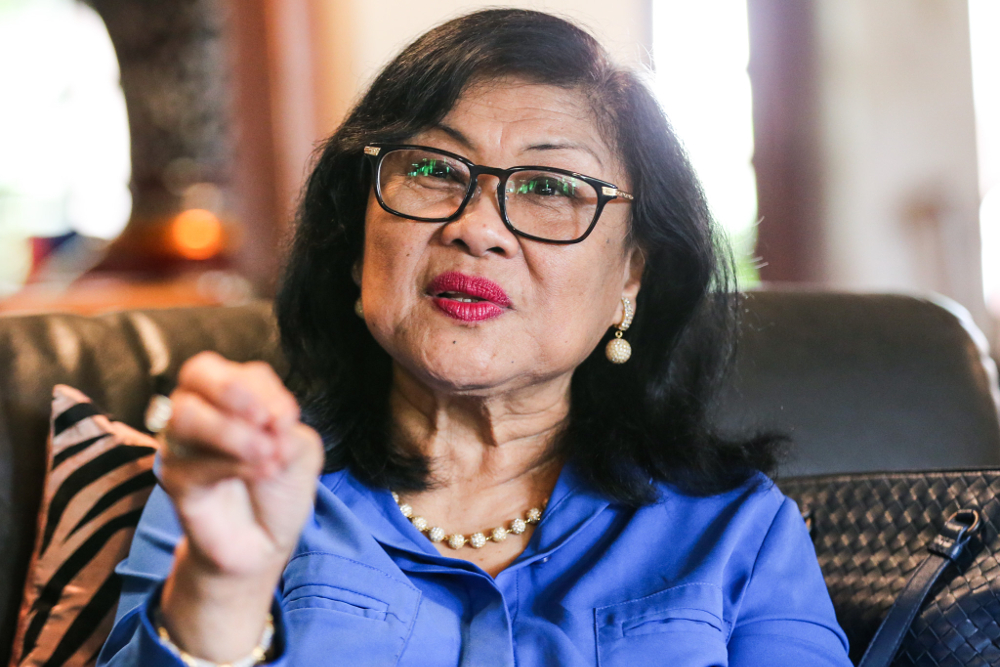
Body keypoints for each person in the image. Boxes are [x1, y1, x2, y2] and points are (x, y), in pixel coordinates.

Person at [98, 9, 851, 667]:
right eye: (430, 168)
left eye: (551, 187)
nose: (478, 227)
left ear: (632, 275)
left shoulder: (738, 533)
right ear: (358, 239)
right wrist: (220, 591)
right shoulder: (234, 490)